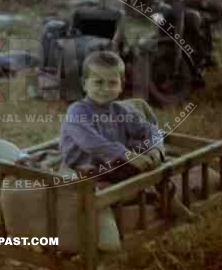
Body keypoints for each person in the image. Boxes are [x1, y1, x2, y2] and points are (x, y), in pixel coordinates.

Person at [60, 50, 165, 183]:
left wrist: (156, 148)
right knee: (95, 173)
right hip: (84, 164)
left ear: (121, 85)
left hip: (113, 162)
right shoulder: (76, 111)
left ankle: (166, 197)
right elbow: (91, 142)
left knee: (152, 163)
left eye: (113, 83)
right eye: (98, 82)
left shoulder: (121, 110)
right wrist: (128, 155)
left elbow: (150, 129)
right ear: (84, 84)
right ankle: (129, 193)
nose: (106, 89)